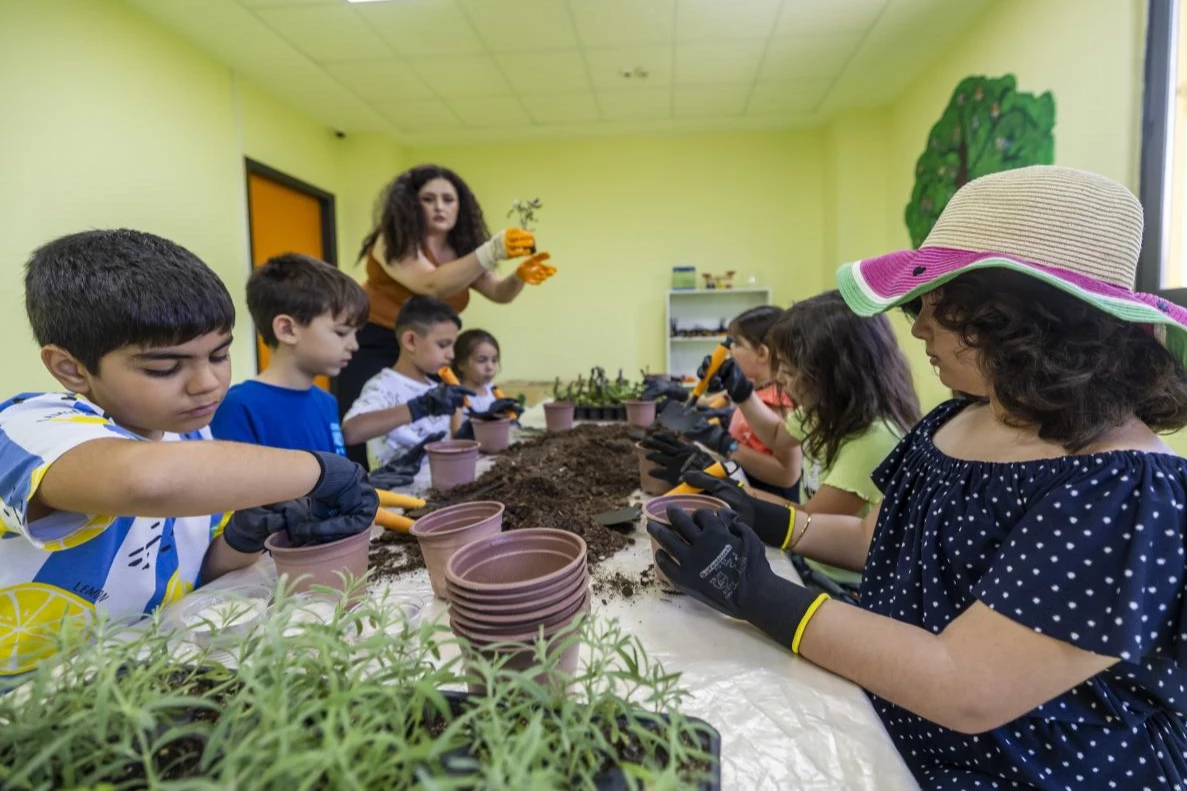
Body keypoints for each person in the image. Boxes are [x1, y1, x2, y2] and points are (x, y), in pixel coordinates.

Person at [654, 166, 1187, 788]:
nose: (916, 325)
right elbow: (877, 540)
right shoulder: (961, 416)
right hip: (886, 726)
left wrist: (754, 591)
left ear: (1022, 319)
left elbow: (966, 682)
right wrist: (764, 515)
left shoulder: (1125, 492)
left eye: (939, 303)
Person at [0, 230, 377, 675]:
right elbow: (145, 481)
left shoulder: (190, 436)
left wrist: (245, 533)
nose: (208, 383)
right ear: (71, 369)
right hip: (36, 700)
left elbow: (206, 570)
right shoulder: (27, 427)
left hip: (153, 674)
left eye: (219, 355)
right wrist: (321, 471)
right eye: (166, 367)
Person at [337, 165, 555, 464]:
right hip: (374, 342)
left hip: (428, 349)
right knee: (366, 429)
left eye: (448, 199)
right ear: (412, 204)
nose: (440, 206)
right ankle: (359, 496)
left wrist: (519, 276)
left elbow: (498, 292)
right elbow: (430, 284)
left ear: (460, 206)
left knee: (433, 422)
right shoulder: (393, 240)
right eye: (428, 199)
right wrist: (490, 251)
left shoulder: (461, 251)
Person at [210, 253, 368, 454]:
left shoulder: (326, 403)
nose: (354, 345)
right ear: (287, 330)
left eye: (356, 334)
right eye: (341, 333)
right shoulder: (238, 407)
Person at [643, 306, 801, 500]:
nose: (729, 351)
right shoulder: (752, 389)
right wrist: (678, 393)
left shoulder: (778, 402)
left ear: (762, 353)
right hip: (745, 482)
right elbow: (711, 404)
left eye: (737, 344)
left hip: (767, 499)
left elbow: (786, 476)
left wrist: (725, 444)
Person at [341, 295, 470, 468]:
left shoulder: (438, 391)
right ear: (410, 341)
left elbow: (455, 443)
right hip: (397, 491)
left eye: (452, 346)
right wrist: (417, 408)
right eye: (443, 345)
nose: (451, 355)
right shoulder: (383, 386)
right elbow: (351, 432)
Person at [451, 329, 523, 422]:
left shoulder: (491, 389)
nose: (490, 367)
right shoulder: (456, 396)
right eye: (482, 360)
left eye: (494, 360)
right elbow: (456, 434)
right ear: (461, 364)